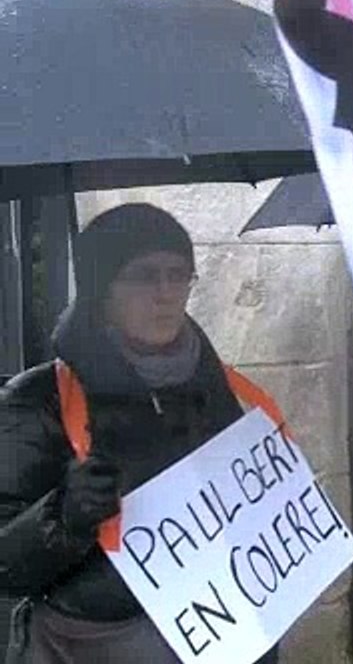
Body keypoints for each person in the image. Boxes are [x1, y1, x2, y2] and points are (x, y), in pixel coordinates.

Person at [0, 204, 278, 664]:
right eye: (144, 276)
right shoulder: (38, 400)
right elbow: (6, 566)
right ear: (101, 289)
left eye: (179, 275)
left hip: (221, 635)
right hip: (94, 648)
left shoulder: (217, 387)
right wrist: (65, 516)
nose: (165, 293)